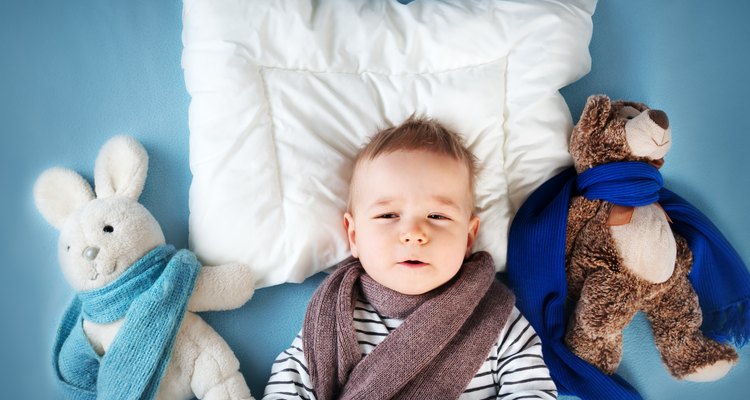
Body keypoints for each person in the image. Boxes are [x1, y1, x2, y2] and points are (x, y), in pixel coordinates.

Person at [263, 116, 557, 400]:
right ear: (354, 236)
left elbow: (532, 390)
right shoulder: (336, 313)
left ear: (468, 238)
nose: (414, 233)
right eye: (388, 215)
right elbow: (290, 386)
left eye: (437, 216)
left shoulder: (495, 316)